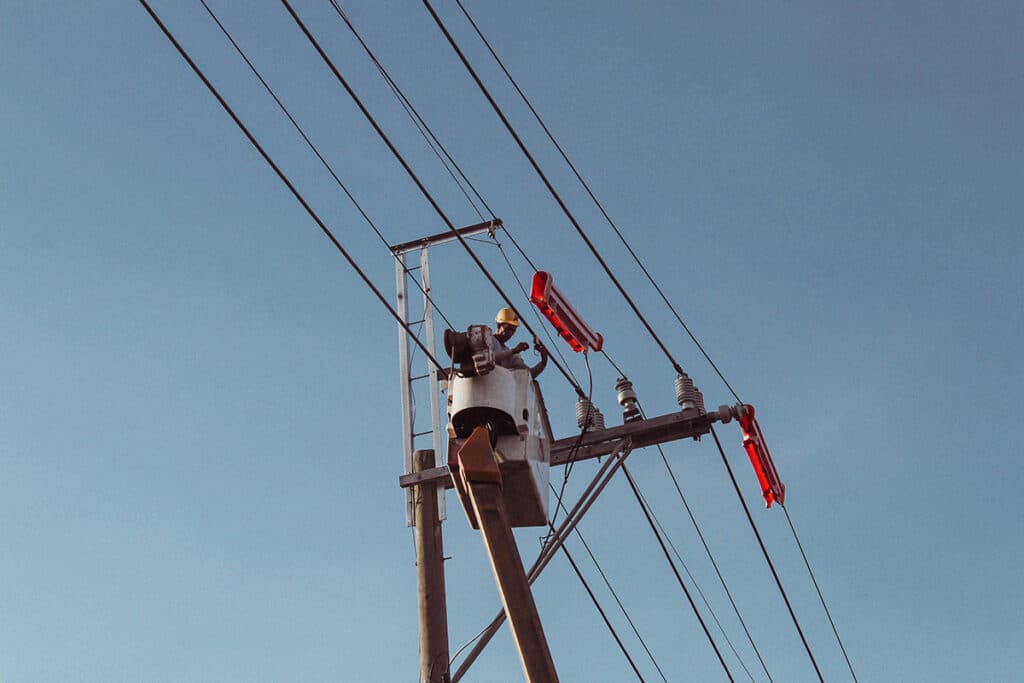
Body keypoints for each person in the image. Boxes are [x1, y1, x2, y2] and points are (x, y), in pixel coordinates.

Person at [489, 307, 548, 378]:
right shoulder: (488, 340)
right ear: (498, 325)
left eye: (513, 330)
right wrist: (514, 351)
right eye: (508, 329)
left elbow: (528, 375)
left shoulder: (511, 355)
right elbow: (490, 358)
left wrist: (543, 362)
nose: (510, 333)